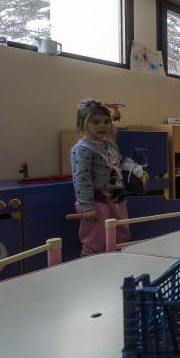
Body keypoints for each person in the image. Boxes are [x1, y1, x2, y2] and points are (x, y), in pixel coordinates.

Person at [70, 99, 129, 255]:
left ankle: (117, 266)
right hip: (96, 201)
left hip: (117, 198)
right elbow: (81, 178)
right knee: (96, 241)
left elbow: (119, 163)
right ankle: (91, 269)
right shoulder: (82, 148)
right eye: (95, 122)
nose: (102, 125)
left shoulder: (109, 144)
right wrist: (87, 206)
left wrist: (137, 171)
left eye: (106, 121)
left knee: (121, 236)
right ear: (83, 124)